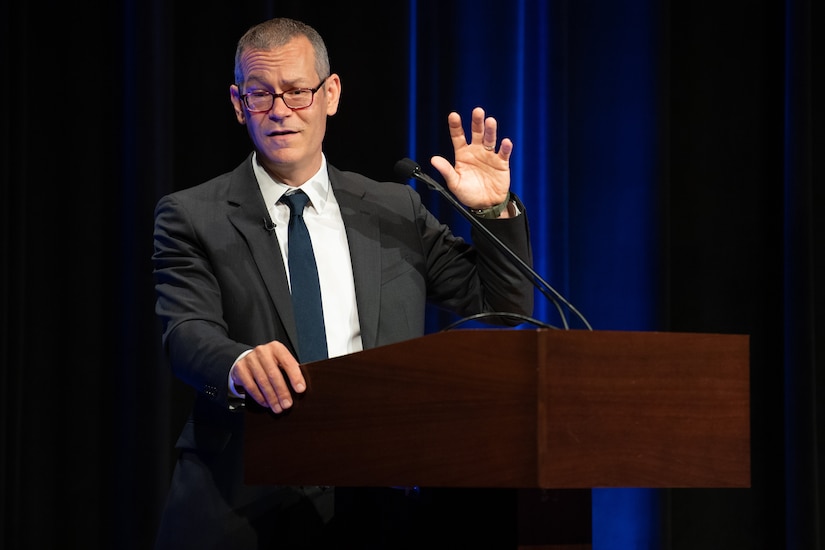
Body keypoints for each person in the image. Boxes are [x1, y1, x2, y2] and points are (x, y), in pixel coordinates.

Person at [152, 16, 533, 549]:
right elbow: (186, 331)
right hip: (243, 497)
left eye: (297, 92)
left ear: (330, 94)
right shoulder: (193, 215)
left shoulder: (394, 207)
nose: (280, 111)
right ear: (239, 104)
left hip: (378, 497)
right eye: (261, 95)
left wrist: (492, 210)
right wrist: (238, 363)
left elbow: (505, 305)